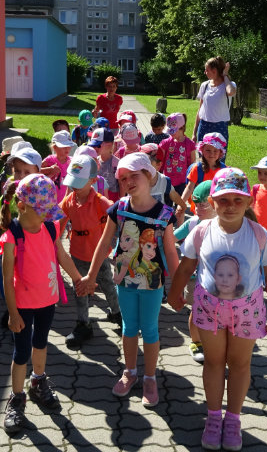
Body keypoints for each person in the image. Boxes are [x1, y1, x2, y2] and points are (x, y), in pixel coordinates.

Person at [167, 167, 267, 450]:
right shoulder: (201, 231)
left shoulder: (258, 234)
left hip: (247, 311)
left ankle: (233, 420)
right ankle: (213, 418)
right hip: (209, 309)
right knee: (214, 362)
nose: (230, 206)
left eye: (237, 200)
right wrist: (173, 293)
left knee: (240, 364)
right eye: (223, 200)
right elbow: (186, 266)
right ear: (212, 201)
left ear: (248, 202)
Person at [76, 153, 179, 408]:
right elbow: (104, 244)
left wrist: (177, 287)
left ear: (149, 175)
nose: (128, 181)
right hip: (124, 281)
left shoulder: (164, 213)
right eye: (123, 178)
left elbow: (170, 252)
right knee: (129, 327)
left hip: (152, 283)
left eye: (134, 175)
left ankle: (150, 378)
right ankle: (130, 372)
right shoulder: (119, 209)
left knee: (150, 329)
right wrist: (91, 275)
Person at [0, 174, 84, 435]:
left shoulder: (50, 228)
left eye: (49, 210)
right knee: (21, 352)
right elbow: (7, 279)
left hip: (47, 300)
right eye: (42, 211)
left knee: (41, 343)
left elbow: (62, 255)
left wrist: (78, 278)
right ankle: (16, 398)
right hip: (22, 305)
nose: (47, 215)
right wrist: (12, 313)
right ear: (22, 206)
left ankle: (38, 382)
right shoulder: (12, 236)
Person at [59, 155, 122, 349]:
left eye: (79, 183)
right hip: (77, 255)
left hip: (98, 257)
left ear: (93, 180)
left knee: (108, 286)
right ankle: (83, 324)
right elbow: (57, 224)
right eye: (72, 182)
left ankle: (117, 313)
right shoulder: (69, 201)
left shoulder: (100, 202)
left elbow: (119, 217)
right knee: (80, 291)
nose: (74, 187)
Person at [172, 180, 215, 363]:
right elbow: (171, 238)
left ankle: (213, 341)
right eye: (195, 204)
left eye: (203, 205)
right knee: (197, 310)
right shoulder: (192, 223)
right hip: (194, 277)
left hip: (216, 280)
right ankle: (196, 342)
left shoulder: (224, 226)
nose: (197, 209)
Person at [192, 56, 237, 151]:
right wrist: (194, 132)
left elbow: (231, 92)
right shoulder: (205, 85)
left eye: (207, 70)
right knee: (203, 156)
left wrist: (225, 75)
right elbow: (200, 110)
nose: (205, 72)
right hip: (204, 126)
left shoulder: (229, 84)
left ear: (214, 71)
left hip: (220, 127)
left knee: (218, 156)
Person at [182, 132, 227, 214]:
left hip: (216, 207)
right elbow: (189, 188)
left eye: (215, 151)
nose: (211, 154)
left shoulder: (224, 170)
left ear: (220, 152)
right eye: (208, 150)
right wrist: (181, 204)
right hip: (199, 207)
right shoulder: (197, 168)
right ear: (202, 150)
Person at [140, 143, 188, 216]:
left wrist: (183, 205)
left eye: (146, 162)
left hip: (158, 219)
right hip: (139, 218)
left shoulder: (163, 181)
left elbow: (173, 195)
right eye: (140, 161)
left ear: (158, 165)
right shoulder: (135, 179)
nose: (142, 165)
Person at [158, 113, 196, 197]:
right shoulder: (166, 143)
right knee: (167, 202)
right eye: (169, 131)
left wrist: (192, 181)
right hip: (167, 180)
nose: (171, 133)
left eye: (173, 131)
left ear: (181, 128)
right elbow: (159, 159)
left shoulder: (190, 144)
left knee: (179, 202)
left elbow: (193, 164)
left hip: (182, 182)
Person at [42, 130, 74, 203]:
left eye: (69, 146)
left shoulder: (72, 161)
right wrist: (49, 169)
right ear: (55, 147)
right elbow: (36, 170)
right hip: (50, 197)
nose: (67, 148)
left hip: (66, 197)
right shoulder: (50, 160)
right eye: (63, 146)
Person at [91, 127, 120, 202]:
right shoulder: (94, 161)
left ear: (109, 145)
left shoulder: (116, 163)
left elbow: (122, 185)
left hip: (113, 199)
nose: (95, 148)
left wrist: (121, 201)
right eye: (93, 145)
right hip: (97, 197)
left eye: (98, 145)